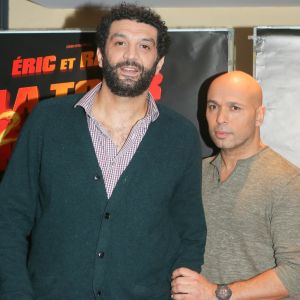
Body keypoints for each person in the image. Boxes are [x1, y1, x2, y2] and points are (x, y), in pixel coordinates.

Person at [0, 3, 206, 299]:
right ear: (99, 53)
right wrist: (15, 292)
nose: (131, 56)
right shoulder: (47, 120)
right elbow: (9, 217)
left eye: (144, 46)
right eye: (120, 43)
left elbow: (190, 231)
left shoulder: (181, 136)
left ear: (159, 62)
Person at [171, 71, 300, 299]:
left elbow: (296, 273)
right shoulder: (195, 173)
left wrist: (217, 293)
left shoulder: (287, 181)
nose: (221, 118)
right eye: (213, 106)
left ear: (259, 115)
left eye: (235, 108)